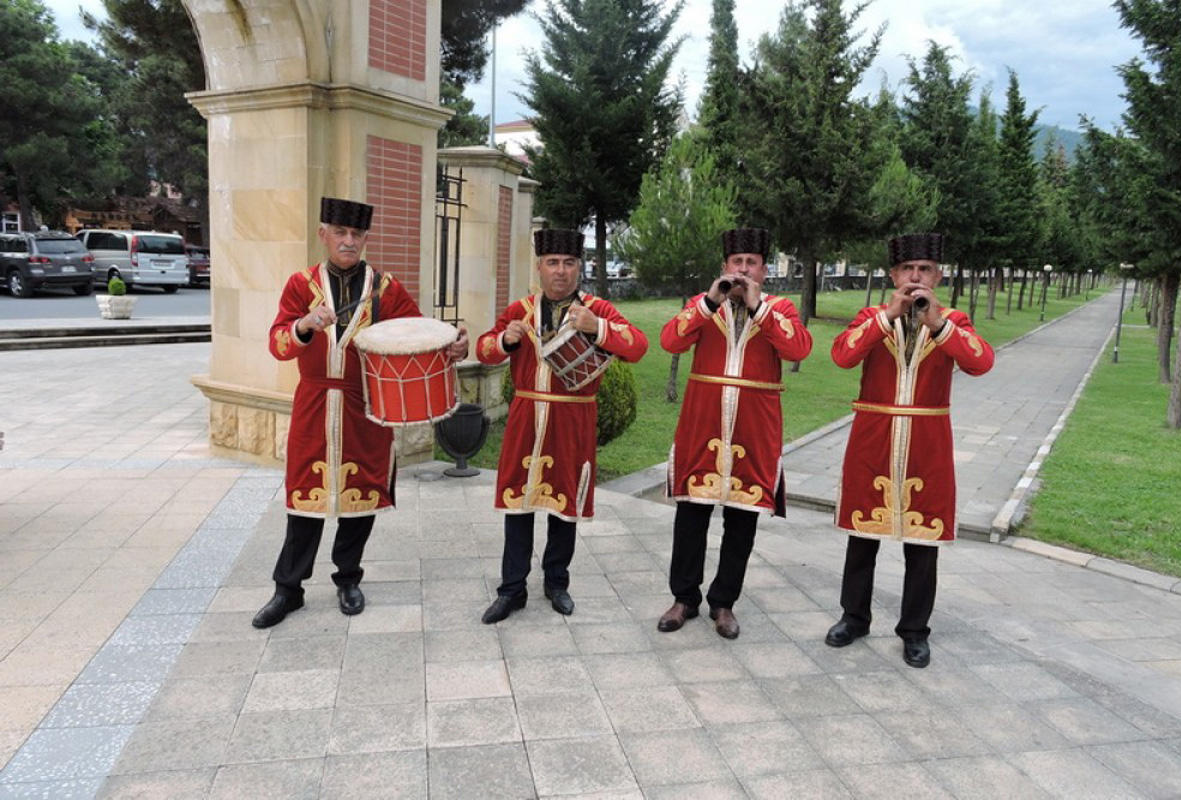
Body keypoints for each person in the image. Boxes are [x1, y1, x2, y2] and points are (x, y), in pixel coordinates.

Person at [252, 196, 468, 628]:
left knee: (360, 500)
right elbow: (277, 343)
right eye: (340, 233)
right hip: (314, 405)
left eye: (356, 235)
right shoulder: (301, 285)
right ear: (323, 235)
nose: (348, 242)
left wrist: (454, 345)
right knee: (304, 502)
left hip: (365, 407)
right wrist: (304, 325)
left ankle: (348, 578)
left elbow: (420, 335)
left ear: (365, 238)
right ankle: (287, 589)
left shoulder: (384, 289)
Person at [824, 232, 994, 667]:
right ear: (893, 274)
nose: (915, 277)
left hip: (926, 443)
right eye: (907, 270)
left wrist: (938, 324)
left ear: (938, 275)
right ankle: (854, 616)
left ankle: (915, 630)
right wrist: (888, 315)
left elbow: (980, 362)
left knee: (923, 544)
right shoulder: (871, 316)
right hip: (873, 437)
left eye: (924, 270)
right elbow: (842, 356)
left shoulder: (954, 319)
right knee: (862, 536)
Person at [477, 228, 648, 623]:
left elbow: (637, 346)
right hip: (526, 418)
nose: (561, 271)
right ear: (539, 267)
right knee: (518, 506)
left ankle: (557, 583)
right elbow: (484, 351)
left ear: (579, 267)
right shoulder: (519, 308)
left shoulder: (597, 309)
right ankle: (511, 589)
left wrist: (597, 328)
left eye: (569, 263)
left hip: (574, 417)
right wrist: (505, 339)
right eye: (552, 262)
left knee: (564, 506)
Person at [657, 228, 812, 639]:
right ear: (724, 266)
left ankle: (723, 602)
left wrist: (759, 308)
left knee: (742, 521)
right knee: (691, 514)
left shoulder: (781, 309)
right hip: (702, 423)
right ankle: (683, 598)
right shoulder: (702, 305)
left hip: (754, 429)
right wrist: (710, 301)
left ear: (764, 269)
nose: (743, 270)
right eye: (736, 262)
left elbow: (798, 350)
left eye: (752, 263)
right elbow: (670, 339)